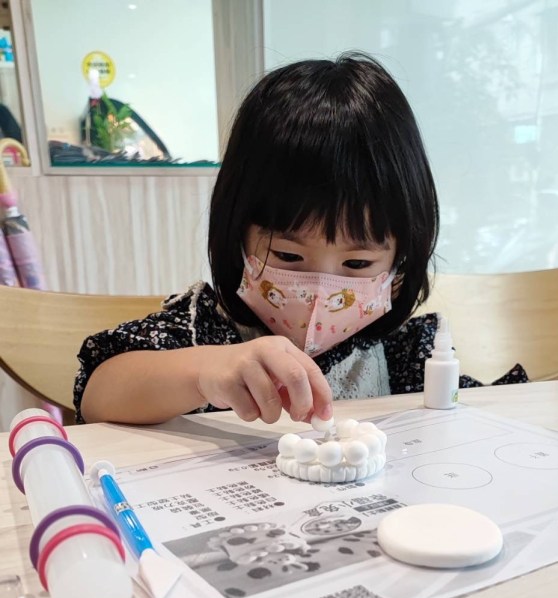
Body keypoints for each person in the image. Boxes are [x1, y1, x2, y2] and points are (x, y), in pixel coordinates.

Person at [75, 53, 531, 427]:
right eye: (289, 255)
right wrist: (203, 372)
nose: (319, 291)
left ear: (400, 261)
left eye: (357, 265)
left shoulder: (405, 353)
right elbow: (99, 393)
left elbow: (488, 418)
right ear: (238, 234)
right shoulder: (204, 330)